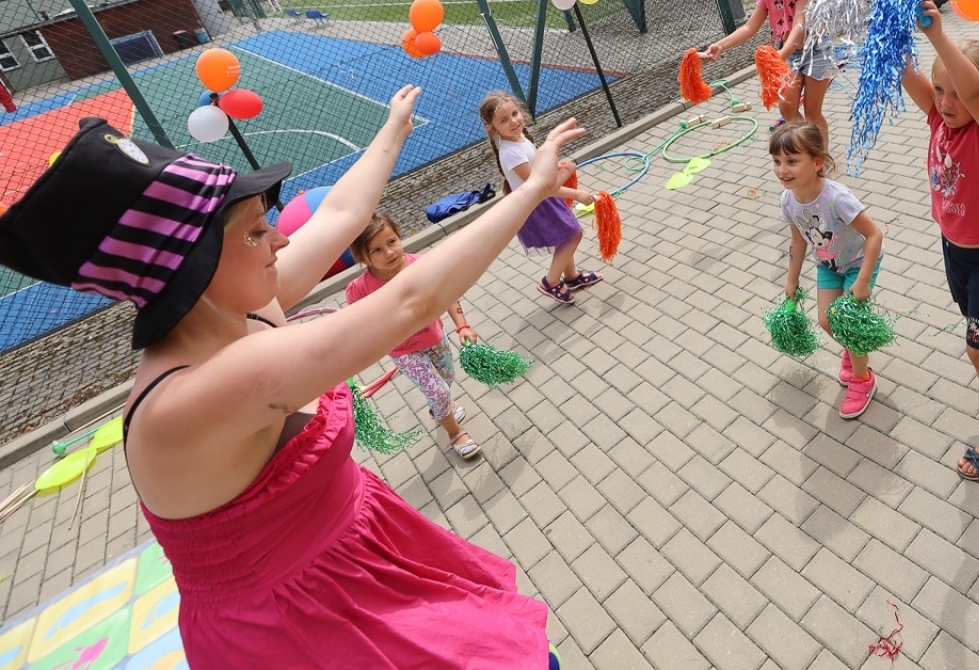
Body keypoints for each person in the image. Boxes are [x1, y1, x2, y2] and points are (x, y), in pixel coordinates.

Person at [0, 92, 577, 668]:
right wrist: (529, 191)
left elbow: (340, 215)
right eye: (256, 233)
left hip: (355, 555)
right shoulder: (194, 395)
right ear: (191, 270)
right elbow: (412, 302)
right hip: (298, 624)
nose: (280, 240)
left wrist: (394, 128)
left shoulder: (240, 309)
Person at [901, 4, 979, 481]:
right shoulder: (938, 120)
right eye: (939, 92)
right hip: (954, 250)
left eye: (957, 95)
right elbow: (905, 72)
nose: (947, 102)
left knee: (977, 350)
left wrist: (938, 36)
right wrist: (880, 23)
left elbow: (970, 89)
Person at [771, 122, 886, 419]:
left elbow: (875, 235)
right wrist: (791, 280)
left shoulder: (837, 198)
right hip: (829, 265)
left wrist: (863, 282)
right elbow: (798, 241)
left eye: (792, 161)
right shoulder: (789, 200)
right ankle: (853, 351)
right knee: (826, 320)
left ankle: (863, 379)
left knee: (848, 324)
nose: (783, 169)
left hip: (859, 263)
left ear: (817, 162)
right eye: (777, 161)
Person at [345, 212, 482, 460]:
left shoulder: (422, 265)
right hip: (403, 351)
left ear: (399, 236)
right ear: (363, 258)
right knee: (438, 391)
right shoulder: (359, 289)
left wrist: (462, 325)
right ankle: (455, 433)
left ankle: (440, 405)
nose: (388, 252)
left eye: (391, 242)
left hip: (435, 338)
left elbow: (448, 293)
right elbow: (358, 325)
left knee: (447, 378)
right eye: (376, 250)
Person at [707, 0, 834, 147]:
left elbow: (798, 28)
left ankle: (820, 158)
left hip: (816, 52)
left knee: (812, 112)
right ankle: (809, 148)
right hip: (789, 54)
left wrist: (778, 58)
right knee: (787, 109)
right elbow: (749, 27)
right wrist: (721, 45)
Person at [481, 90, 602, 306]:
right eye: (503, 120)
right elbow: (543, 186)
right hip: (537, 205)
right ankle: (550, 281)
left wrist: (556, 166)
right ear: (492, 128)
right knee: (573, 234)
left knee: (564, 236)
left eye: (515, 114)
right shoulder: (511, 154)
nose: (513, 121)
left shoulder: (521, 139)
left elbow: (539, 169)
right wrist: (577, 194)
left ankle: (571, 277)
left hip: (544, 199)